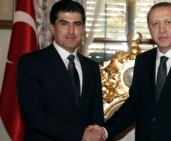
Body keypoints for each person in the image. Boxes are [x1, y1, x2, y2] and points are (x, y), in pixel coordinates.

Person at [83, 2, 171, 141]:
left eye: (168, 22)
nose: (161, 29)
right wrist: (105, 131)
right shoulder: (143, 61)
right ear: (149, 28)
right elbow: (134, 105)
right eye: (155, 24)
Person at [17, 1, 105, 141]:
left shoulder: (92, 67)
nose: (71, 31)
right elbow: (34, 116)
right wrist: (80, 134)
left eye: (77, 24)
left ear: (83, 29)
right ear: (52, 28)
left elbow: (96, 117)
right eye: (64, 24)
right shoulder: (31, 63)